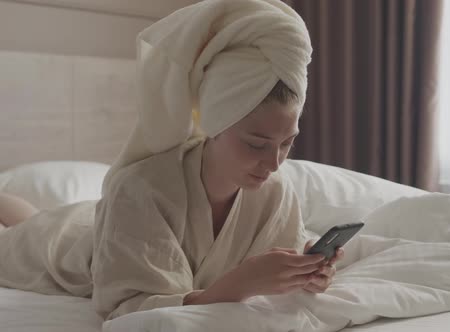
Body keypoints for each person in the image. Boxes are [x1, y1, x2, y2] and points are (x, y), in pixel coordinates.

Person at [0, 0, 343, 321]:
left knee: (32, 219)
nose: (274, 163)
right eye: (256, 144)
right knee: (21, 237)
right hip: (71, 248)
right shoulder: (140, 188)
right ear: (213, 125)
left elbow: (280, 250)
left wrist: (307, 269)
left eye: (288, 142)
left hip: (104, 227)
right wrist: (241, 284)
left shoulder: (275, 190)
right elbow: (134, 309)